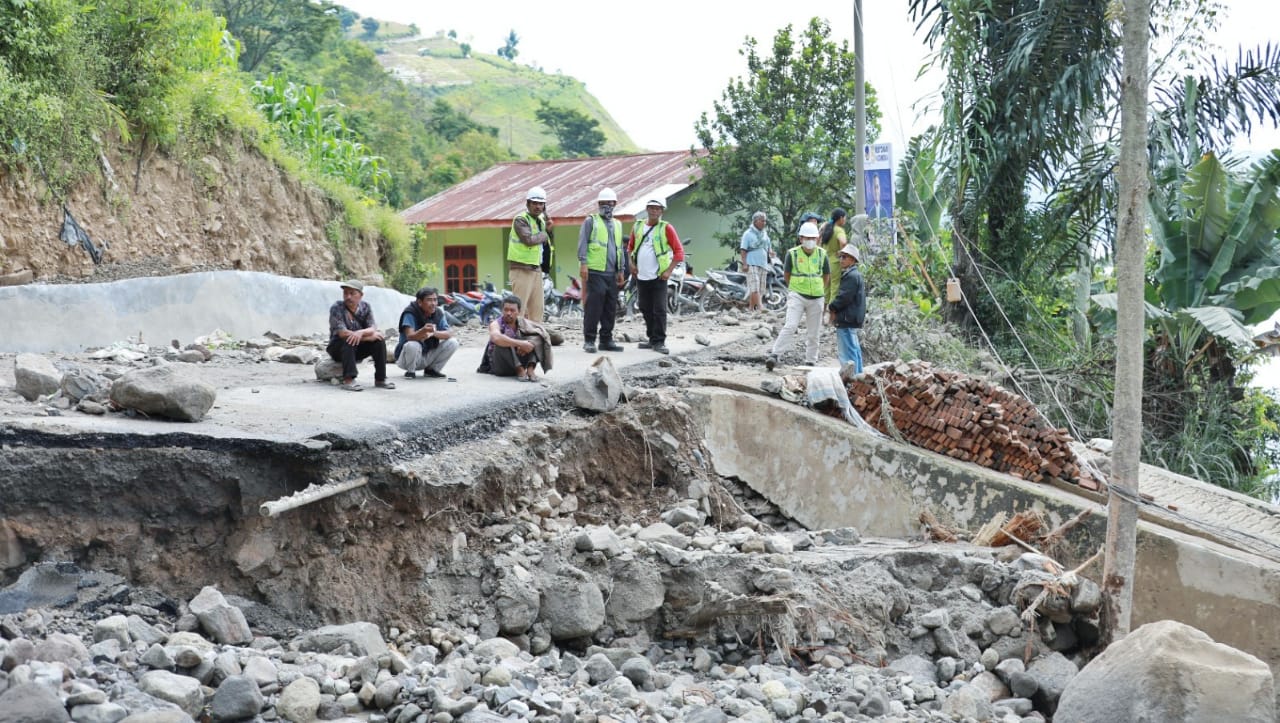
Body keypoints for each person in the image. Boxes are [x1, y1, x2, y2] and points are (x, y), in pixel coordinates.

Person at [766, 222, 830, 370]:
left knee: (814, 332)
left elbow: (826, 275)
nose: (810, 241)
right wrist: (794, 289)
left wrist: (820, 288)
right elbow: (787, 274)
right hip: (797, 295)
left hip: (817, 297)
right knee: (790, 325)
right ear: (801, 238)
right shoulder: (792, 254)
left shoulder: (822, 254)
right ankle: (775, 355)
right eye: (807, 238)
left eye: (813, 238)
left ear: (817, 238)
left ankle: (811, 361)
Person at [627, 197, 684, 355]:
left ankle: (659, 341)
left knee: (659, 309)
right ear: (647, 209)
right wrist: (631, 264)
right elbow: (630, 248)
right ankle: (652, 338)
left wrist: (669, 271)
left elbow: (679, 253)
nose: (654, 211)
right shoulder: (638, 226)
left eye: (657, 208)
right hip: (641, 276)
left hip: (659, 276)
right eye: (651, 208)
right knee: (644, 307)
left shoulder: (666, 228)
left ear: (662, 211)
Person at [578, 187, 628, 353]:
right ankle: (590, 340)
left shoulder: (618, 224)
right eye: (604, 203)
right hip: (595, 270)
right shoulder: (591, 221)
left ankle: (606, 340)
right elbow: (583, 243)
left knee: (609, 307)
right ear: (599, 204)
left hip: (612, 273)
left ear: (615, 204)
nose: (608, 206)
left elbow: (619, 248)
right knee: (594, 306)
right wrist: (583, 264)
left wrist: (621, 270)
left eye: (610, 203)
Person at [326, 279, 394, 391]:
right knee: (349, 339)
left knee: (379, 340)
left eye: (352, 293)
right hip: (337, 348)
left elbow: (372, 328)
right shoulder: (337, 307)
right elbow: (342, 333)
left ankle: (380, 379)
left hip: (357, 348)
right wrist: (367, 337)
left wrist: (360, 333)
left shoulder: (365, 307)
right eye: (345, 293)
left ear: (361, 295)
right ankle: (349, 380)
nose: (348, 297)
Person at [482, 295, 553, 381]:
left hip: (521, 360)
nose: (508, 313)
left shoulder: (523, 322)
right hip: (501, 366)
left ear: (518, 311)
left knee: (538, 337)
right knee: (503, 339)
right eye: (506, 310)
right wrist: (520, 344)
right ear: (502, 310)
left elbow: (542, 333)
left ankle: (530, 369)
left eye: (512, 310)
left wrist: (529, 344)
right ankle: (519, 369)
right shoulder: (495, 324)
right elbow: (496, 337)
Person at [508, 185, 553, 322]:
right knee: (519, 311)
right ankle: (516, 341)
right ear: (527, 204)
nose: (538, 207)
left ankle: (536, 340)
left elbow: (545, 245)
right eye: (534, 203)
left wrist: (548, 229)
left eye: (541, 204)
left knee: (537, 311)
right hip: (521, 269)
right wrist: (546, 233)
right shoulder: (521, 219)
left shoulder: (540, 221)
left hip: (536, 269)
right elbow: (529, 240)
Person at [395, 286, 459, 379]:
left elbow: (449, 333)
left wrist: (434, 333)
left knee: (453, 342)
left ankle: (432, 370)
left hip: (427, 355)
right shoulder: (410, 312)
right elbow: (409, 336)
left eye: (435, 300)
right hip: (407, 358)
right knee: (413, 344)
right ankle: (410, 371)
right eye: (429, 300)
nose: (433, 303)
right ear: (420, 302)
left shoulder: (438, 313)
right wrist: (423, 331)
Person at [828, 244, 866, 372]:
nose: (841, 260)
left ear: (853, 260)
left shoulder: (851, 276)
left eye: (844, 257)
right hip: (851, 318)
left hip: (846, 318)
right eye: (841, 257)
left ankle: (852, 379)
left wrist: (832, 307)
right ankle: (859, 376)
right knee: (854, 349)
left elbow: (843, 298)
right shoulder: (855, 275)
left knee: (847, 353)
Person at [738, 211, 772, 312]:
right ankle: (761, 307)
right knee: (755, 285)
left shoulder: (765, 234)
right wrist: (744, 264)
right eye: (762, 221)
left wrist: (771, 252)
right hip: (751, 263)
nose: (764, 223)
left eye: (765, 221)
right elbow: (743, 250)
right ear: (756, 221)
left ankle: (751, 308)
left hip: (763, 263)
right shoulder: (747, 234)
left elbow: (768, 247)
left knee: (761, 287)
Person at [819, 208, 848, 304]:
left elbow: (819, 243)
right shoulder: (839, 230)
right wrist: (842, 252)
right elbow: (843, 242)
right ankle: (831, 315)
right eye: (845, 218)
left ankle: (822, 315)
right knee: (835, 288)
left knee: (826, 289)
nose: (845, 220)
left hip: (824, 262)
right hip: (835, 262)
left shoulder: (826, 229)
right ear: (840, 218)